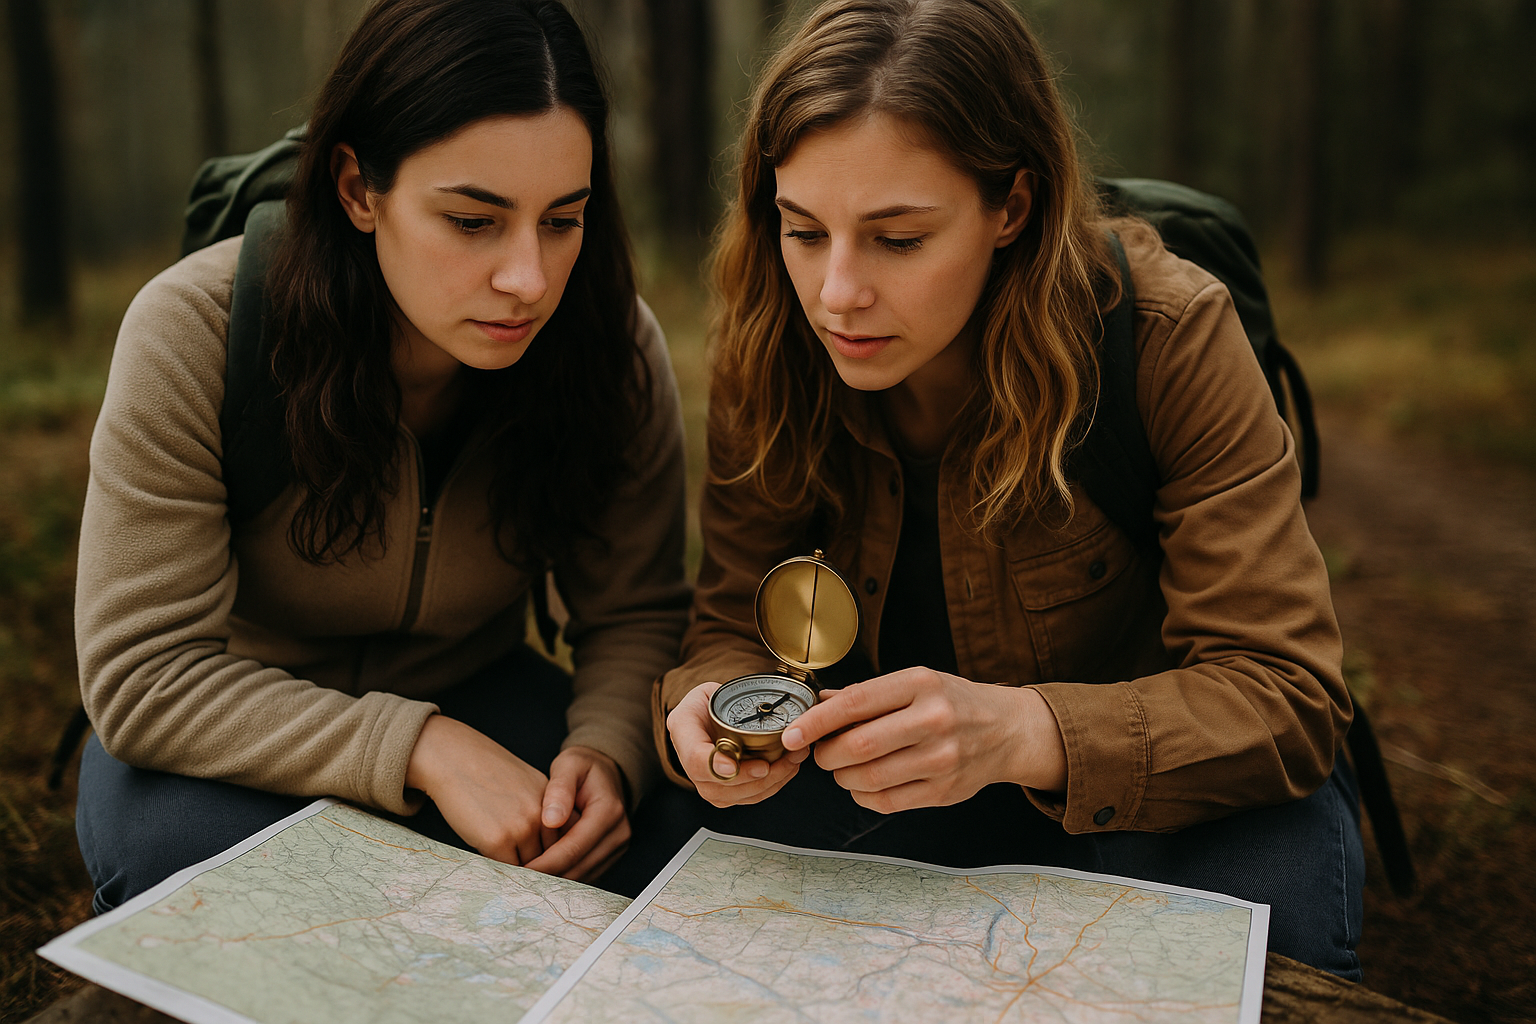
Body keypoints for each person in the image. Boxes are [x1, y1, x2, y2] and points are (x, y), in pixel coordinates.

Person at [657, 0, 1364, 979]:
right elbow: (732, 618)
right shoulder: (775, 344)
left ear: (1012, 208)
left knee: (1258, 943)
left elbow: (1285, 695)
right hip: (897, 791)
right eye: (803, 229)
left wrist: (1028, 731)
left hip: (1161, 796)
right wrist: (707, 706)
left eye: (898, 239)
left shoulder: (1169, 332)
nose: (836, 293)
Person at [73, 0, 690, 911]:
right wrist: (423, 749)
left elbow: (636, 613)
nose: (528, 278)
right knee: (186, 869)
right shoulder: (195, 332)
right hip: (229, 730)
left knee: (677, 851)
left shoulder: (610, 348)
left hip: (481, 690)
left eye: (563, 220)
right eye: (474, 221)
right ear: (360, 190)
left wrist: (605, 753)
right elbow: (145, 675)